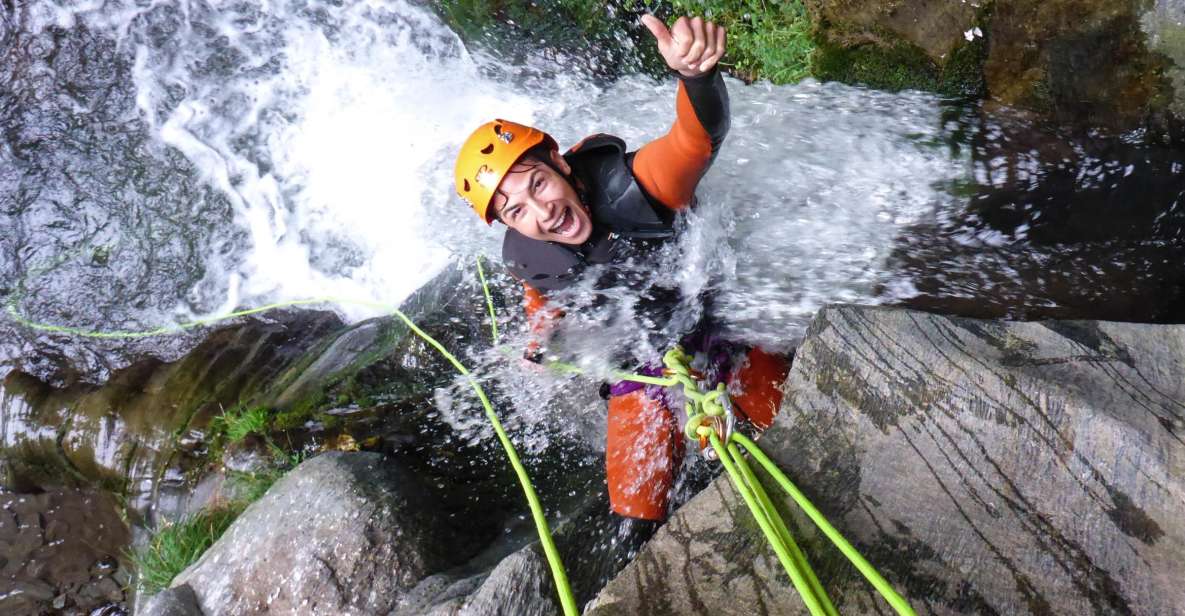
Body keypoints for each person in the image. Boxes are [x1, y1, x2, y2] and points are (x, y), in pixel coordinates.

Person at [453, 14, 788, 521]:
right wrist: (538, 335)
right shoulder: (527, 251)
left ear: (561, 164)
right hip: (645, 356)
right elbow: (542, 287)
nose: (541, 212)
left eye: (537, 184)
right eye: (516, 210)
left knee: (790, 436)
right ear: (507, 224)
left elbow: (694, 141)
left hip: (719, 323)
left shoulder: (636, 188)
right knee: (634, 511)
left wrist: (696, 78)